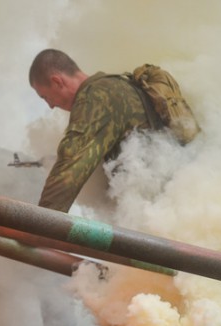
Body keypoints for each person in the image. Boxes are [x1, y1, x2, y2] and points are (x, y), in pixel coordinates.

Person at [29, 49, 161, 213]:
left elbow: (70, 168)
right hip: (161, 201)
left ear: (57, 81)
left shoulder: (95, 98)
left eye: (46, 97)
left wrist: (40, 226)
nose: (51, 106)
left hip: (151, 207)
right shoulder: (115, 85)